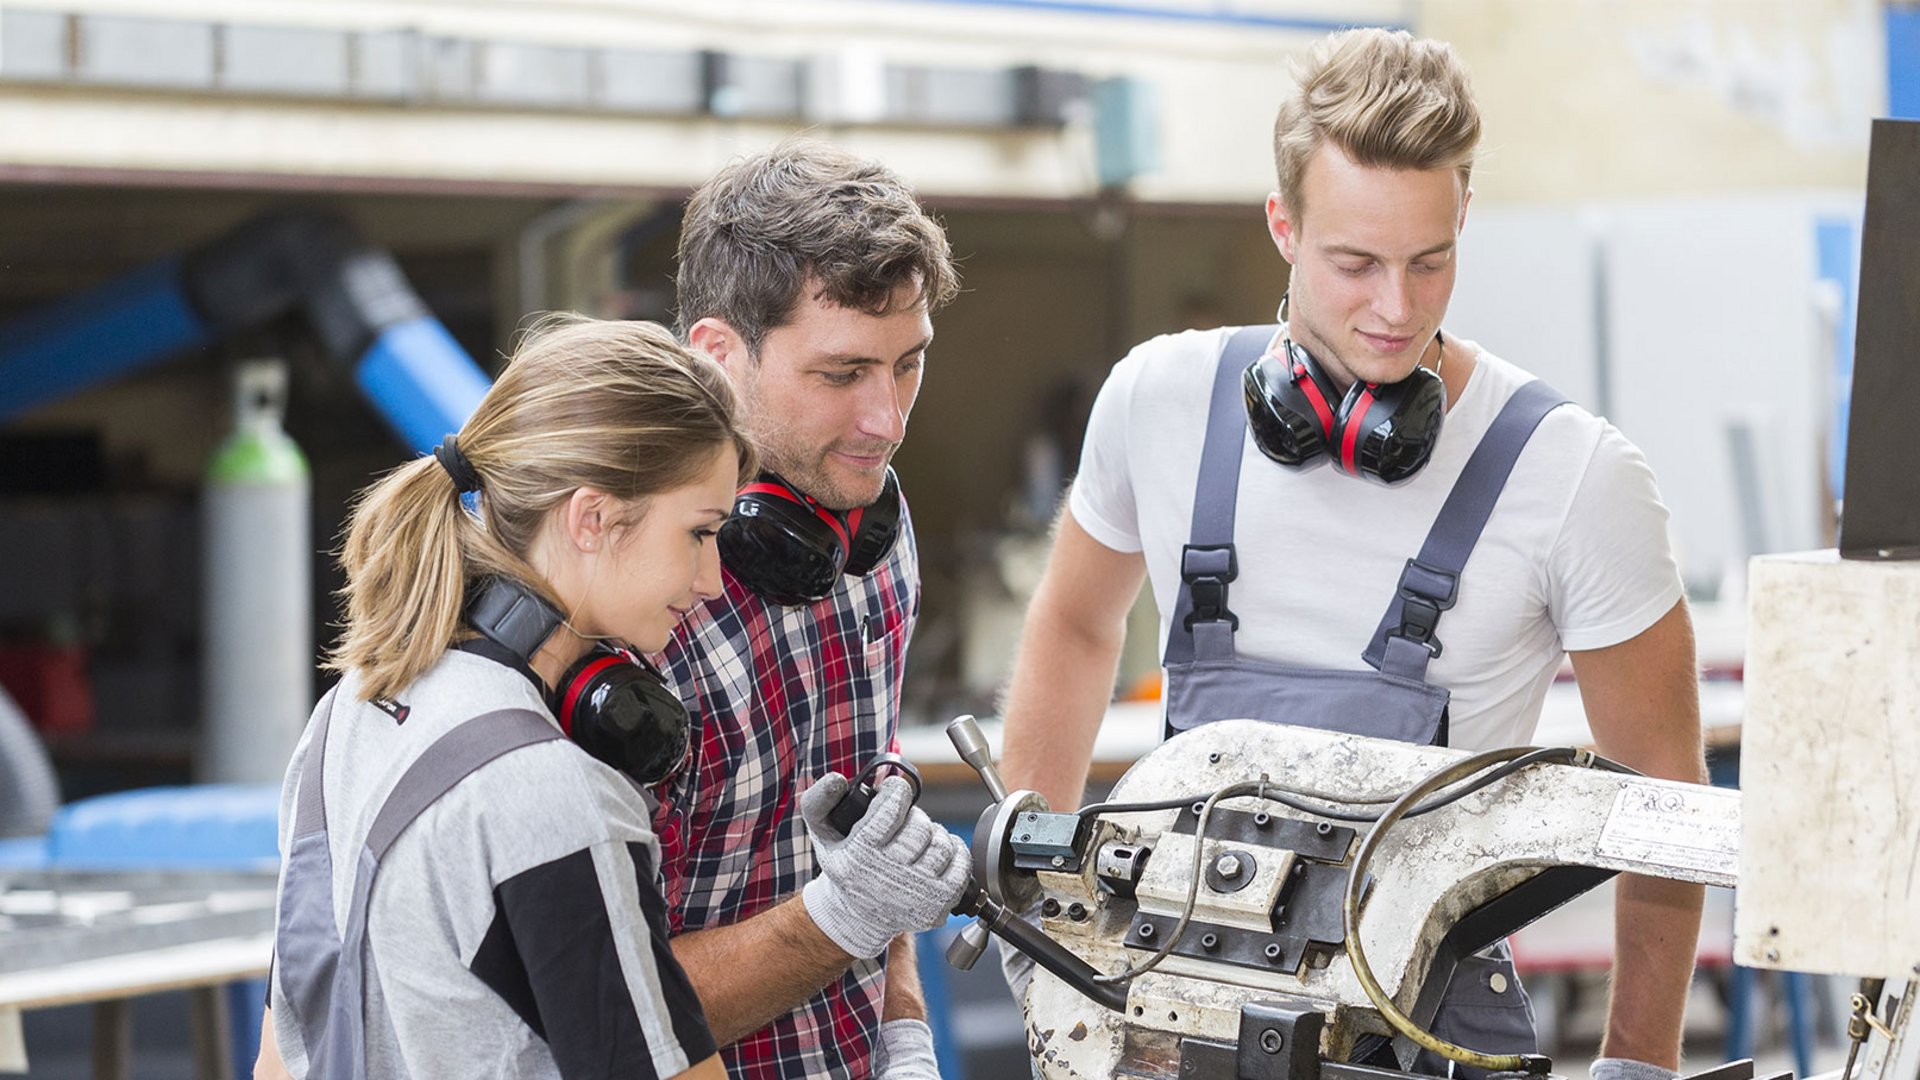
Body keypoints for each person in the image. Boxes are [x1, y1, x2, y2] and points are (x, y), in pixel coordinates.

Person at [997, 27, 1705, 1080]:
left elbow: (1664, 795)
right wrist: (1036, 917)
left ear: (1464, 215)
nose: (1397, 308)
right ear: (1282, 225)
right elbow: (1075, 619)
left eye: (1431, 261)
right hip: (1167, 1016)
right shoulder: (1162, 403)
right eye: (1355, 264)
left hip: (1429, 1033)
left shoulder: (1575, 477)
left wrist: (1637, 1063)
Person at [255, 317, 753, 1079]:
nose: (713, 579)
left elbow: (280, 1057)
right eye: (699, 531)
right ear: (593, 518)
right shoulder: (553, 794)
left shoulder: (346, 716)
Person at [650, 139, 972, 1080]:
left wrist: (904, 1031)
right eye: (841, 375)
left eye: (908, 364)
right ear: (717, 355)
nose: (889, 419)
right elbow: (598, 1000)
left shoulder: (873, 519)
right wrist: (842, 919)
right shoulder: (618, 602)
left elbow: (873, 825)